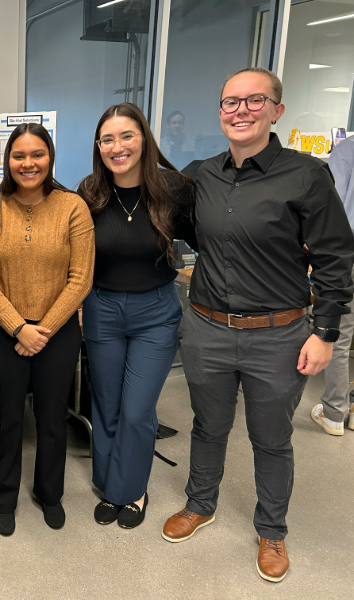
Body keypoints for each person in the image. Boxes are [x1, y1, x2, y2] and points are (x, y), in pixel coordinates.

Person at [162, 68, 354, 583]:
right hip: (206, 328)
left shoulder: (307, 175)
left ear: (277, 111)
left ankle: (272, 530)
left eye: (254, 101)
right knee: (208, 426)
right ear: (220, 111)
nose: (240, 110)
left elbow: (337, 259)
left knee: (271, 438)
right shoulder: (200, 173)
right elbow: (170, 226)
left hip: (279, 334)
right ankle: (200, 504)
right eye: (230, 102)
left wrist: (325, 332)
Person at [0, 123, 94, 536]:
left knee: (52, 417)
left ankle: (49, 493)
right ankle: (3, 497)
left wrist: (43, 329)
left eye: (37, 154)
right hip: (4, 332)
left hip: (58, 334)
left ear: (50, 157)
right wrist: (20, 328)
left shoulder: (73, 207)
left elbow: (81, 278)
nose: (28, 163)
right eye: (19, 156)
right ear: (7, 160)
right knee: (6, 418)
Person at [76, 102, 196, 529]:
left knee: (136, 409)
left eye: (126, 136)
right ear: (99, 146)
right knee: (106, 404)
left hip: (155, 313)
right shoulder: (88, 193)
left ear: (143, 138)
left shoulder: (174, 189)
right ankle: (112, 487)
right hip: (102, 309)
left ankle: (133, 491)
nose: (117, 146)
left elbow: (212, 238)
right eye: (107, 139)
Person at [313, 132, 354, 435]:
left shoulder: (347, 149)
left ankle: (335, 413)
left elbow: (333, 202)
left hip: (348, 253)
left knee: (338, 336)